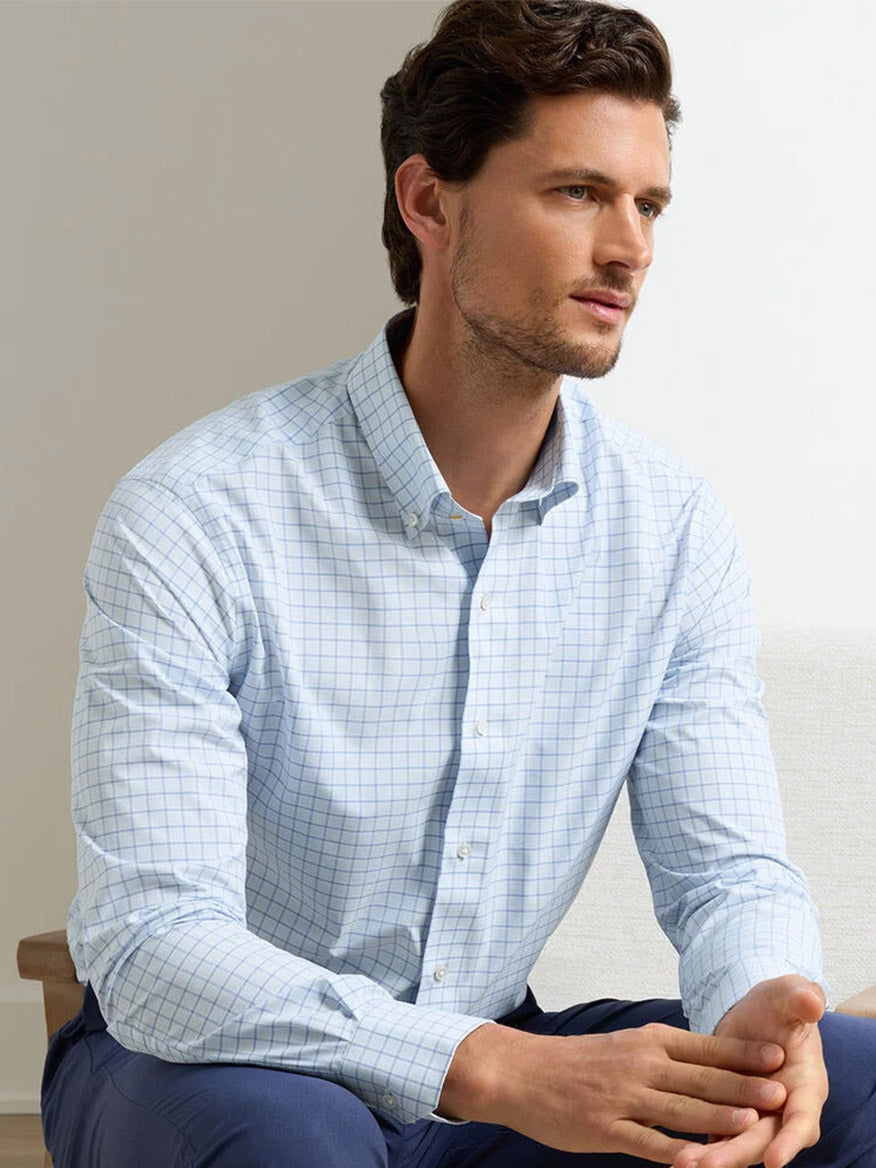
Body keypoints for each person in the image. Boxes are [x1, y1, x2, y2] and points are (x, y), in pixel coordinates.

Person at [41, 2, 875, 1167]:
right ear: (429, 202)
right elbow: (154, 941)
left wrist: (765, 1011)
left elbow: (726, 868)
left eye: (649, 203)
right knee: (296, 1140)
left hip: (494, 1074)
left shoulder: (672, 530)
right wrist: (486, 1065)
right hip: (204, 1066)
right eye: (578, 192)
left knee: (858, 1077)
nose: (631, 247)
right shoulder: (197, 511)